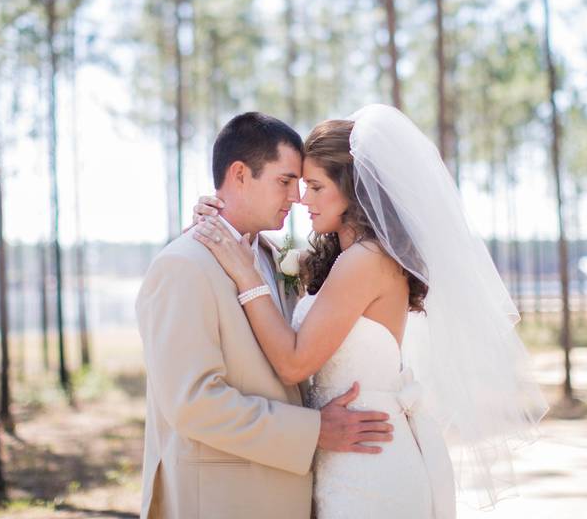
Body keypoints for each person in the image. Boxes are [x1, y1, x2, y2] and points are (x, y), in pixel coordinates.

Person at [193, 105, 548, 518]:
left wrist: (244, 273)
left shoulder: (366, 260)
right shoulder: (348, 257)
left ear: (353, 189)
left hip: (369, 466)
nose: (302, 199)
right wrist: (222, 220)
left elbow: (292, 364)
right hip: (350, 455)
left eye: (315, 187)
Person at [135, 111, 394, 519]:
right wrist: (313, 431)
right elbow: (193, 403)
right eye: (285, 181)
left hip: (296, 494)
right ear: (240, 175)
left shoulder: (275, 257)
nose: (296, 197)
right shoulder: (182, 266)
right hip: (224, 499)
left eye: (302, 184)